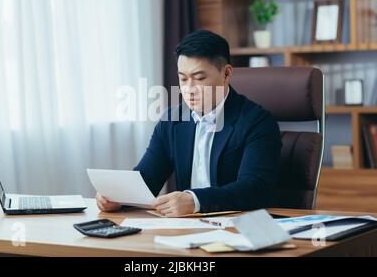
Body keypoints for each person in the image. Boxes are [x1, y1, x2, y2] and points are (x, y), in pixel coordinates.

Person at [96, 30, 282, 217]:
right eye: (183, 78)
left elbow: (256, 189)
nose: (188, 89)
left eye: (200, 78)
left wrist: (195, 201)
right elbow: (146, 179)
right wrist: (117, 196)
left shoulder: (257, 122)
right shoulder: (172, 121)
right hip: (185, 229)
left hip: (237, 227)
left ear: (226, 74)